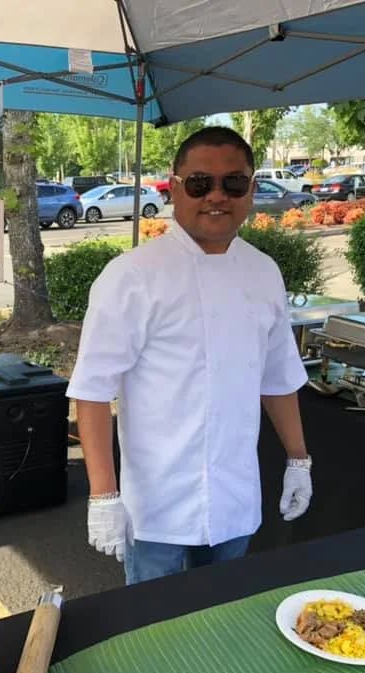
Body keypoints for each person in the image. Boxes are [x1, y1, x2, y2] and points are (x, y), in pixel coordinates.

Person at [66, 126, 313, 586]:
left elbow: (278, 377)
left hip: (235, 495)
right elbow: (92, 391)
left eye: (233, 183)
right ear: (174, 187)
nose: (216, 196)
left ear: (252, 189)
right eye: (200, 183)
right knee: (149, 629)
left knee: (223, 624)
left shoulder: (264, 272)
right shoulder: (131, 277)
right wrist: (103, 494)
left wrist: (299, 460)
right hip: (157, 504)